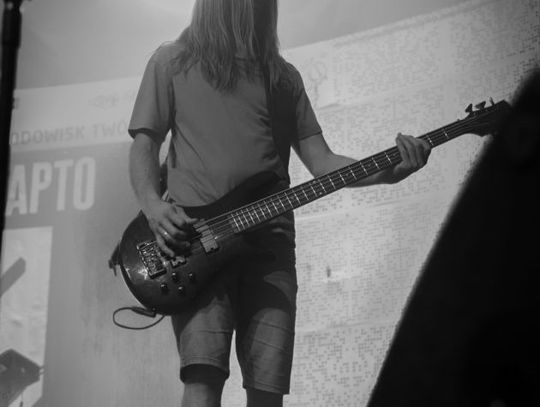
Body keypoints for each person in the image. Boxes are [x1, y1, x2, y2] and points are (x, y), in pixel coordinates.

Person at [127, 1, 431, 406]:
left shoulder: (283, 78)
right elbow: (145, 144)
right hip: (195, 243)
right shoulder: (172, 61)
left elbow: (323, 161)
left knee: (267, 392)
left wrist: (390, 171)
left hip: (269, 249)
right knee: (203, 379)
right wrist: (152, 204)